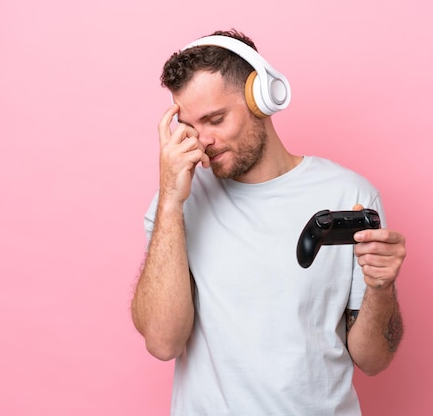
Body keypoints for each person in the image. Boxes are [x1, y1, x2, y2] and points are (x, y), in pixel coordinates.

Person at [131, 29, 406, 415]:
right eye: (190, 127)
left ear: (262, 98)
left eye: (215, 119)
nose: (202, 141)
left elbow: (374, 360)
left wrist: (380, 287)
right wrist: (171, 202)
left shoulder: (349, 195)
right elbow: (162, 342)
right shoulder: (178, 201)